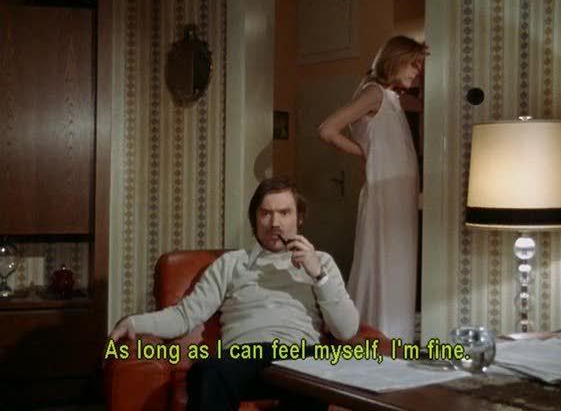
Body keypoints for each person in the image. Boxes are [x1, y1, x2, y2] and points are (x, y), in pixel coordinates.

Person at [109, 176, 359, 411]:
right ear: (254, 220)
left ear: (299, 218)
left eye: (284, 213)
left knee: (319, 371)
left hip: (299, 356)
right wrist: (133, 322)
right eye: (266, 213)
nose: (275, 223)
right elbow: (184, 316)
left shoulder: (321, 262)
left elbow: (346, 330)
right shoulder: (231, 263)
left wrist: (318, 275)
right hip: (243, 358)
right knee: (207, 372)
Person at [318, 35, 427, 342]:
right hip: (384, 194)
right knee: (383, 264)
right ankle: (374, 337)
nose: (417, 71)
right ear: (395, 60)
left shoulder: (392, 97)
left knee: (399, 268)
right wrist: (365, 153)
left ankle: (396, 337)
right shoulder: (373, 92)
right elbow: (327, 129)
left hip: (400, 195)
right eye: (413, 63)